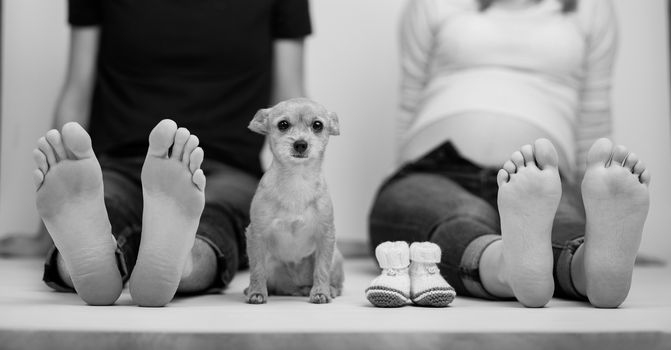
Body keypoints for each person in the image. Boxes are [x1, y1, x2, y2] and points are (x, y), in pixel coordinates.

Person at [368, 0, 651, 308]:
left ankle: (589, 266)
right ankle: (517, 265)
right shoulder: (431, 5)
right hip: (434, 168)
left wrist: (597, 193)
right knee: (444, 211)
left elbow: (592, 117)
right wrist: (401, 180)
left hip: (542, 177)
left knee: (557, 218)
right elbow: (410, 102)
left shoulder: (591, 8)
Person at [31, 0, 311, 307]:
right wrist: (52, 214)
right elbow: (78, 87)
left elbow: (289, 104)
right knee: (206, 221)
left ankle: (98, 263)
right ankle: (177, 264)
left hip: (228, 166)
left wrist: (296, 214)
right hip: (120, 163)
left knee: (123, 210)